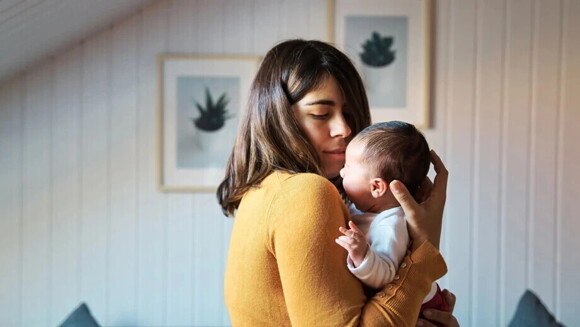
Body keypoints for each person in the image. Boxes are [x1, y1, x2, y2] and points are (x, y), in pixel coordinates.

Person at [217, 39, 459, 326]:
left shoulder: (261, 193)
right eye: (321, 113)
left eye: (350, 113)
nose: (344, 129)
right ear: (279, 118)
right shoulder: (305, 192)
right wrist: (424, 250)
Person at [336, 121, 451, 323]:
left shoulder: (390, 225)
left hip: (421, 308)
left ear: (377, 187)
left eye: (348, 167)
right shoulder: (365, 208)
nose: (342, 172)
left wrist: (362, 254)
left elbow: (386, 276)